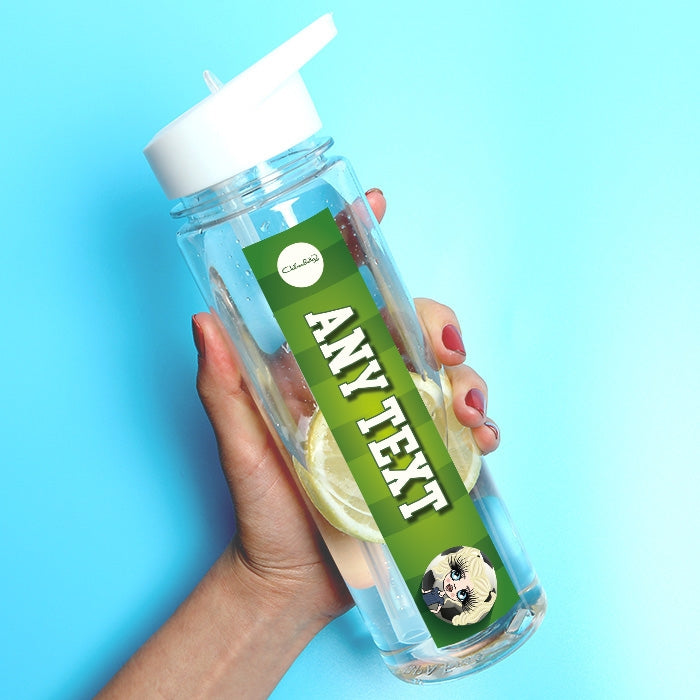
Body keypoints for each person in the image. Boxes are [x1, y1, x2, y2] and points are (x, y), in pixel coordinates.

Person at [98, 189, 500, 698]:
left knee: (415, 387)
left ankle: (481, 589)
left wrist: (283, 586)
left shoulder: (310, 188)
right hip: (355, 560)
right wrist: (282, 582)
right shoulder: (211, 239)